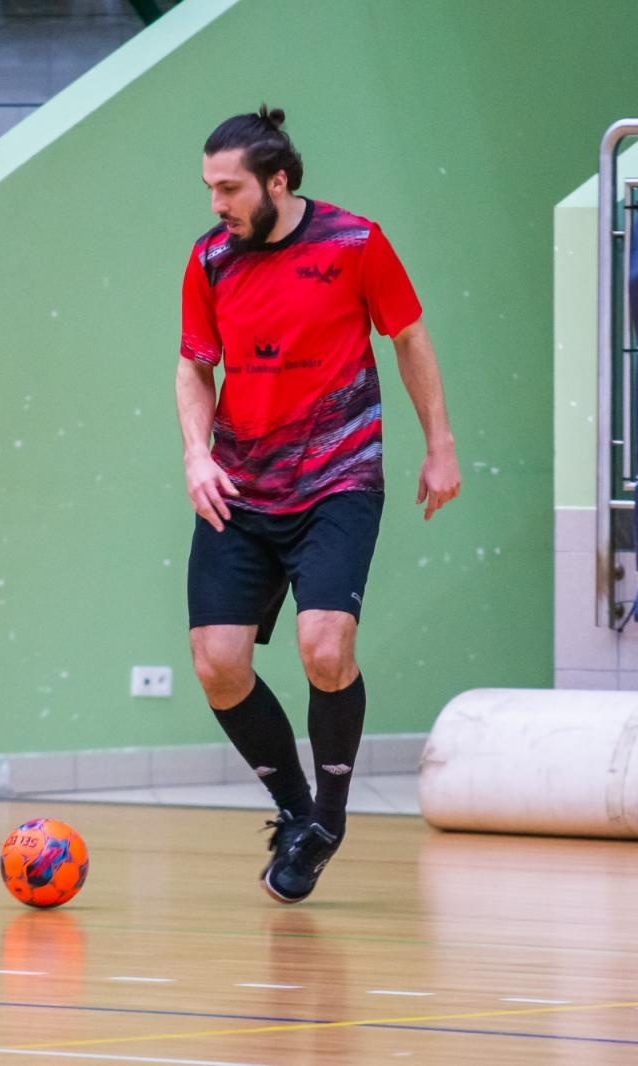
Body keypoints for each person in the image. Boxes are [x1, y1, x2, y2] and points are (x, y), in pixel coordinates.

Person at [177, 105, 461, 904]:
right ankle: (295, 811)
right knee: (218, 665)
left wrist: (439, 445)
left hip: (338, 475)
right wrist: (196, 455)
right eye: (209, 188)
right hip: (241, 482)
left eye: (228, 188)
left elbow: (408, 337)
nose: (216, 204)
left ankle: (328, 821)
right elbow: (195, 367)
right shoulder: (208, 260)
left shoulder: (355, 244)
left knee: (325, 648)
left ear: (278, 181)